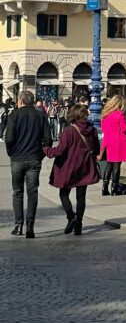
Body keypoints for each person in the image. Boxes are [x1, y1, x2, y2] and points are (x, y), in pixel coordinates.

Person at [43, 102, 100, 235]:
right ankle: (78, 224)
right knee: (81, 197)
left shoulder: (68, 131)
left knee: (64, 194)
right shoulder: (91, 130)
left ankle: (71, 216)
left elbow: (60, 150)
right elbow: (96, 149)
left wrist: (46, 150)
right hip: (85, 166)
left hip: (69, 167)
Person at [5, 90, 52, 238]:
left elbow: (9, 138)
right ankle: (30, 227)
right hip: (34, 158)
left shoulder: (14, 115)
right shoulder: (41, 115)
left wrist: (11, 153)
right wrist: (41, 155)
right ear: (32, 101)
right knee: (33, 193)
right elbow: (48, 140)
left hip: (17, 158)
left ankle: (18, 225)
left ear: (20, 101)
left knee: (17, 192)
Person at [100, 91, 126, 195]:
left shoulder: (105, 115)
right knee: (117, 165)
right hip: (118, 141)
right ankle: (115, 187)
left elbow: (103, 129)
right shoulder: (119, 114)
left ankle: (104, 187)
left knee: (109, 164)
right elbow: (124, 128)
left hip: (108, 141)